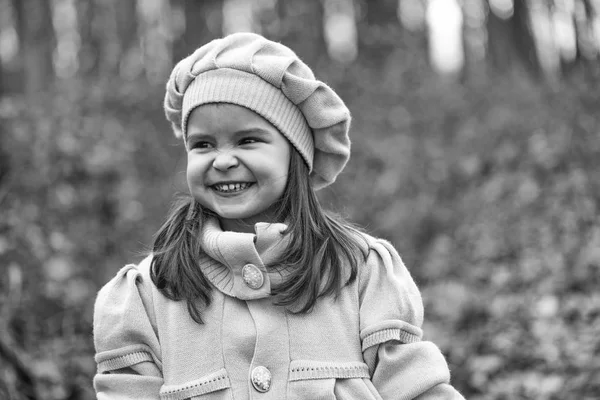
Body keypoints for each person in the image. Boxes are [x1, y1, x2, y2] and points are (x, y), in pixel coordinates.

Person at [92, 32, 465, 399]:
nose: (222, 160)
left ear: (296, 153)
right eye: (203, 144)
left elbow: (415, 387)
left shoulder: (359, 271)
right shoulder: (150, 293)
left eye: (247, 140)